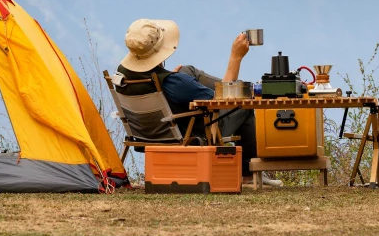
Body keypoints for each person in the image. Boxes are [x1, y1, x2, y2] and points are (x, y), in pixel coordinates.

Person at [115, 19, 278, 185]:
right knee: (244, 102)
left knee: (189, 71)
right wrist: (235, 57)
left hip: (148, 131)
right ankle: (247, 174)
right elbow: (220, 104)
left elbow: (162, 85)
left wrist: (174, 80)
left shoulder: (123, 76)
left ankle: (223, 86)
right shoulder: (175, 83)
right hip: (196, 129)